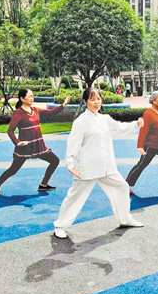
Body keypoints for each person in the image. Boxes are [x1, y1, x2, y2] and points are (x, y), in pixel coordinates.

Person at [53, 88, 146, 239]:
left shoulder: (105, 119)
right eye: (92, 99)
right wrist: (70, 164)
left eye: (98, 99)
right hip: (86, 168)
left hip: (107, 167)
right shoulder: (80, 122)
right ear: (85, 102)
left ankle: (125, 219)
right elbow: (73, 144)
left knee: (122, 187)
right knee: (74, 197)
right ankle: (60, 226)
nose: (96, 102)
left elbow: (120, 128)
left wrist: (136, 124)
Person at [0, 89, 71, 195]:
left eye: (33, 96)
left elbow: (51, 113)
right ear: (22, 99)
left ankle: (43, 185)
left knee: (55, 161)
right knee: (13, 170)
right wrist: (17, 142)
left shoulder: (35, 110)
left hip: (39, 146)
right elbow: (10, 131)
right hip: (25, 148)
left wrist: (64, 104)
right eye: (30, 96)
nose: (32, 98)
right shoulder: (18, 113)